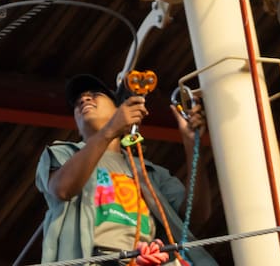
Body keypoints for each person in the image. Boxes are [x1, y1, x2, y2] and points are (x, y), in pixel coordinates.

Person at [35, 73, 215, 266]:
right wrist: (110, 129)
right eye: (78, 100)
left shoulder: (150, 171)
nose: (84, 99)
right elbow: (62, 189)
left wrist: (191, 144)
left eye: (95, 94)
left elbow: (196, 216)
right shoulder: (64, 154)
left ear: (118, 110)